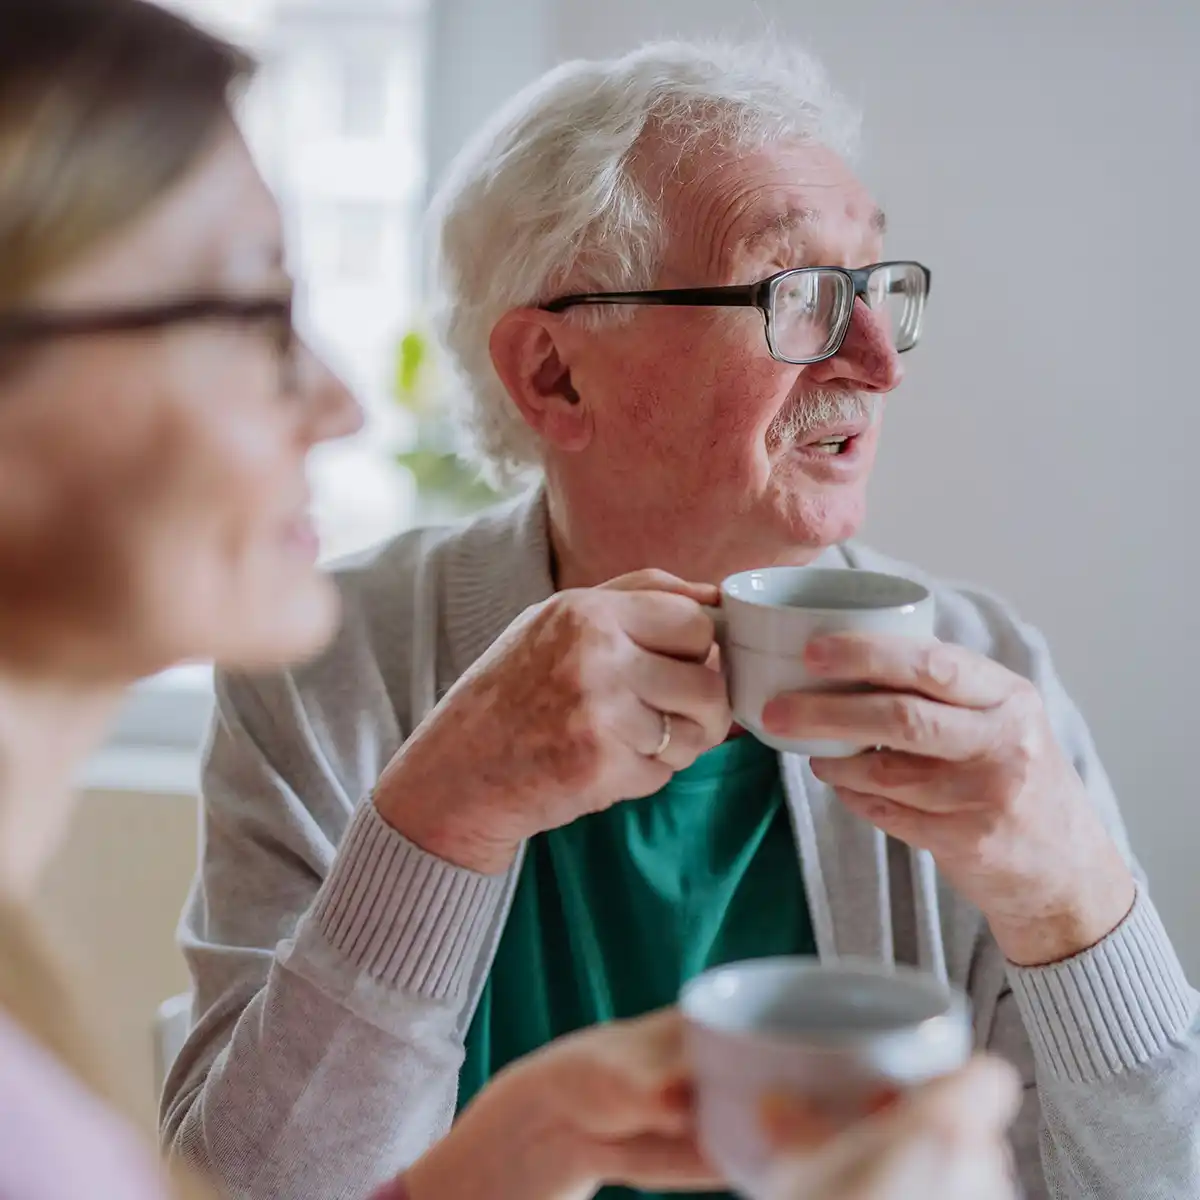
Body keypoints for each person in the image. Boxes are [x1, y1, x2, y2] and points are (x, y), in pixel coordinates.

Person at [0, 3, 1022, 1200]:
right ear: (552, 370)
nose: (343, 406)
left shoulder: (990, 681)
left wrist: (1081, 909)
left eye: (874, 285)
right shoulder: (329, 666)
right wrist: (442, 813)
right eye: (246, 309)